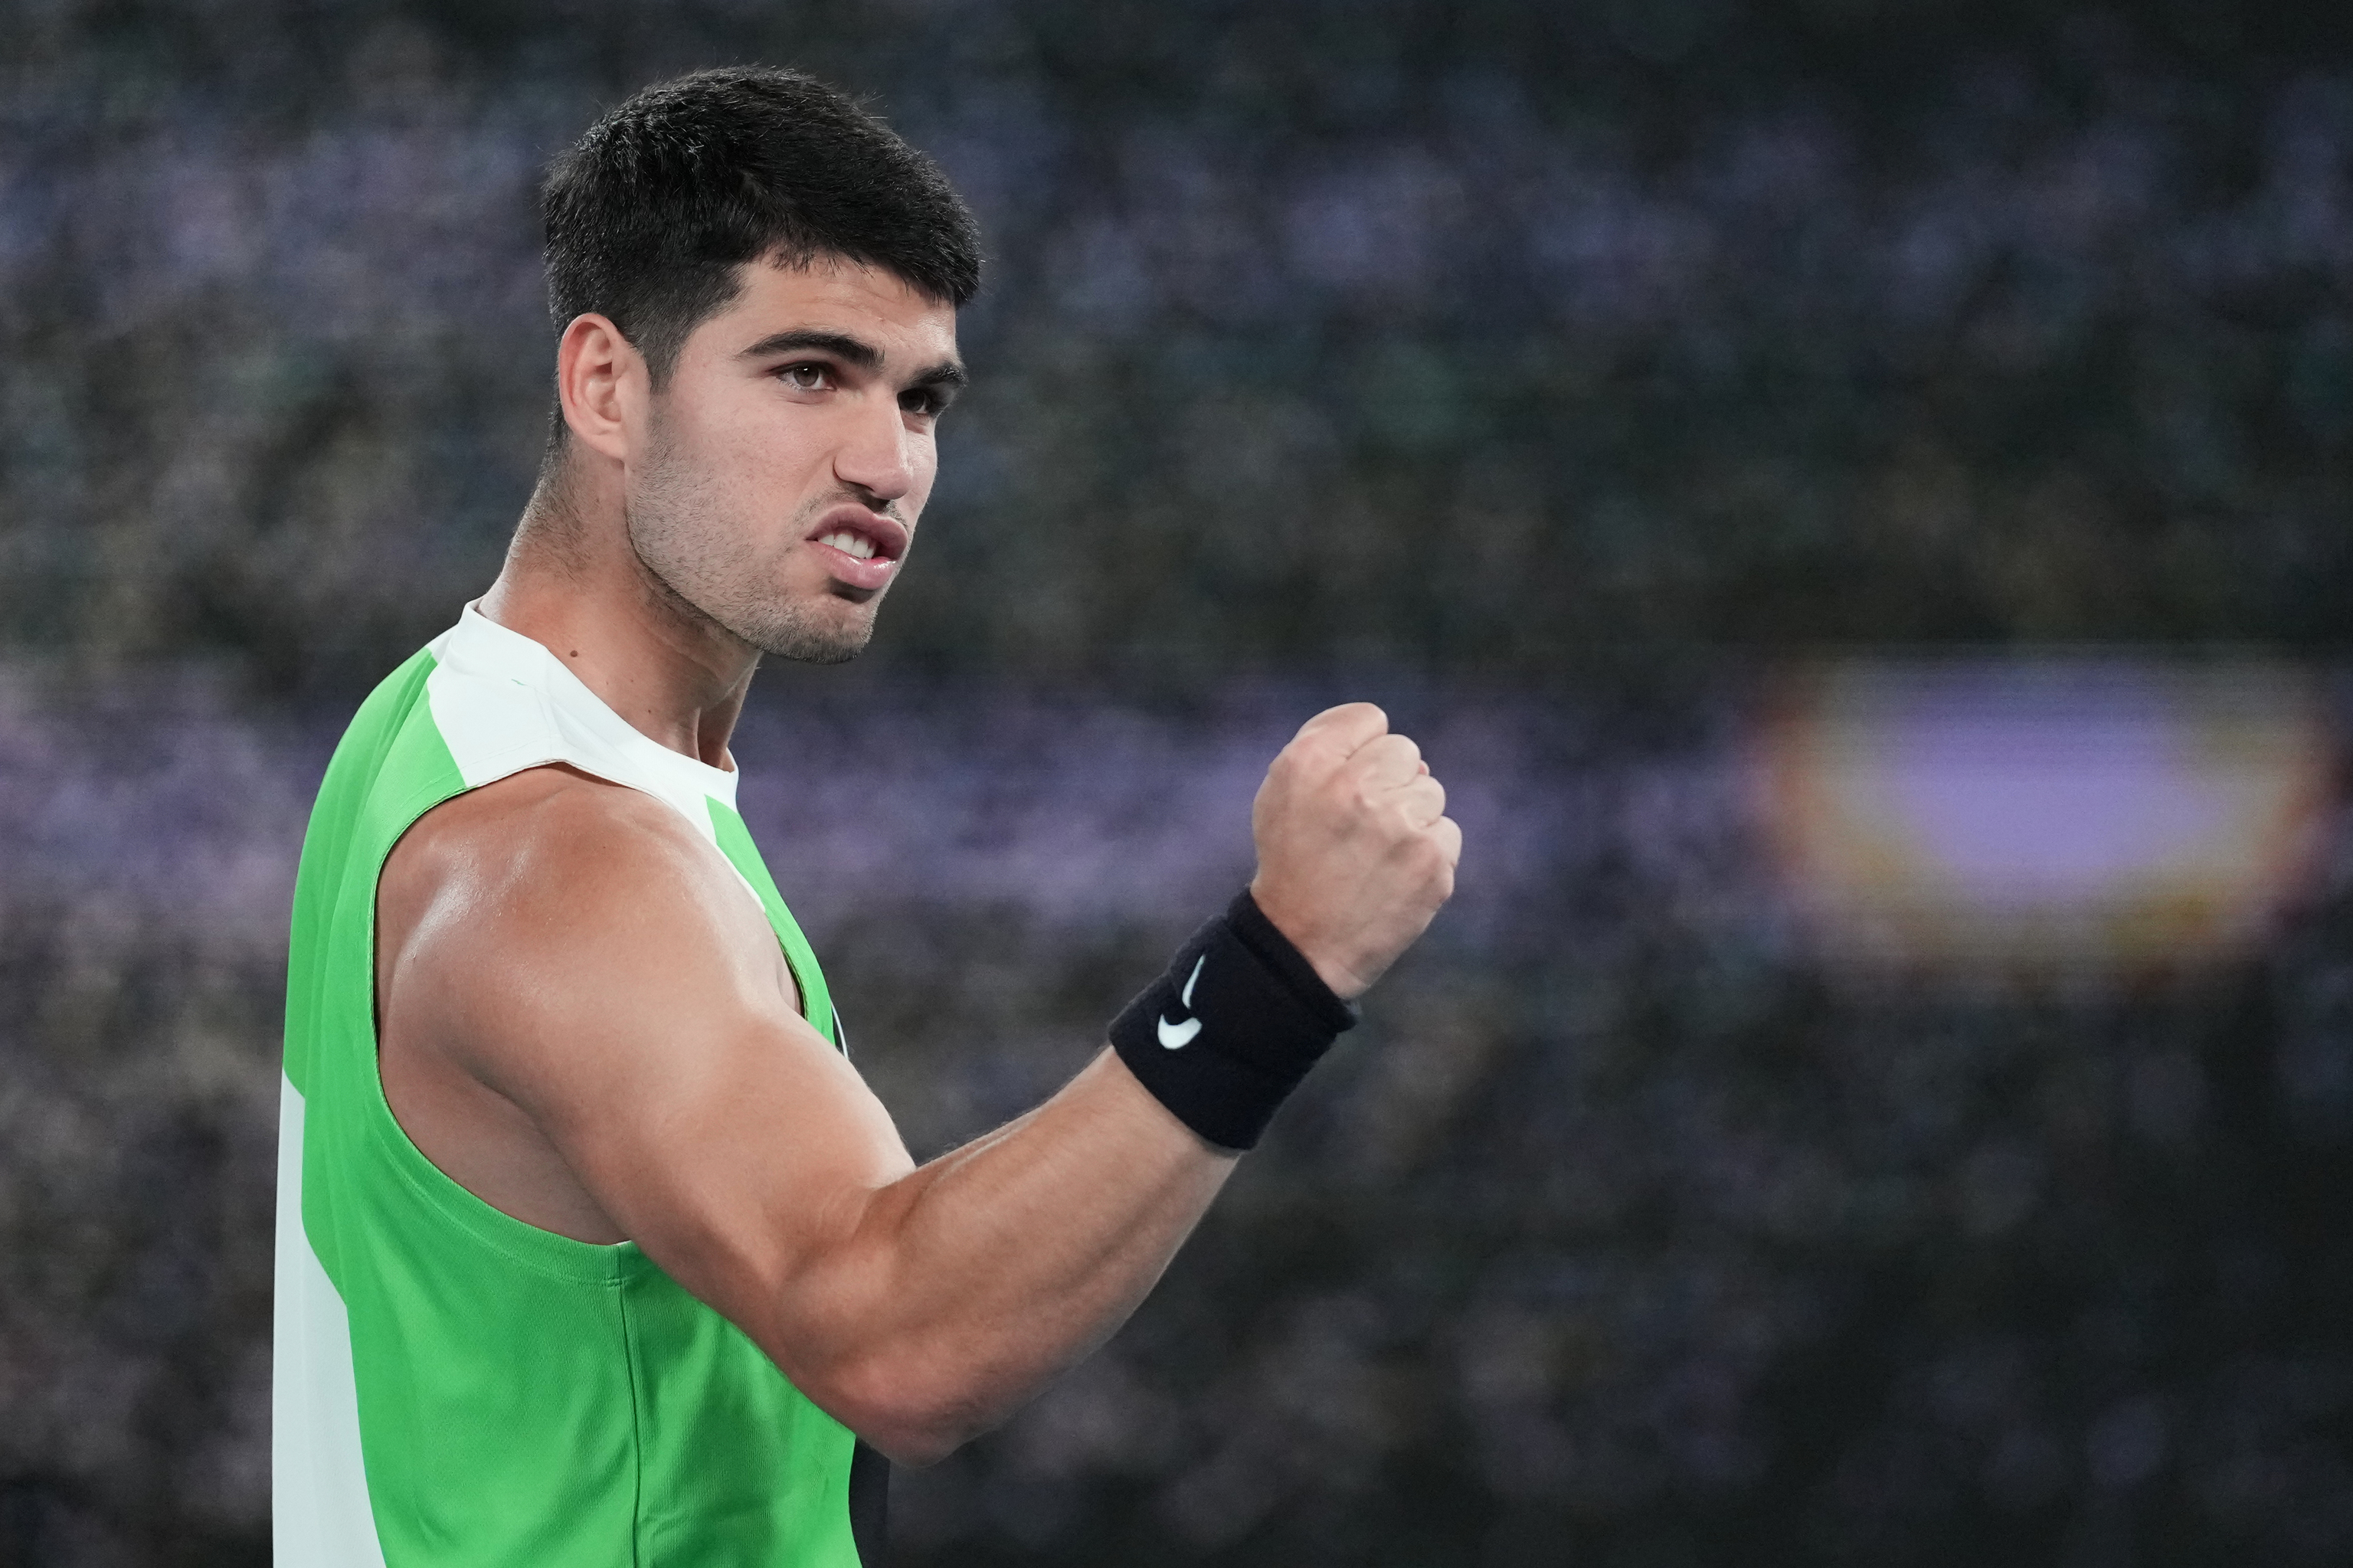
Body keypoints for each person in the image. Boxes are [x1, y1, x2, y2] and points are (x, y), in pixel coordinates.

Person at [273, 64, 1460, 1566]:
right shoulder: (559, 859)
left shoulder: (439, 716)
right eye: (808, 372)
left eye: (920, 397)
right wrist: (1282, 966)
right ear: (605, 385)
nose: (886, 459)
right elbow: (895, 1336)